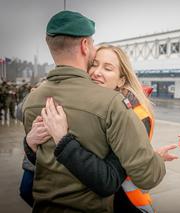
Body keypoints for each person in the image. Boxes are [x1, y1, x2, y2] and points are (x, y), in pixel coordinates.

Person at [22, 10, 166, 212]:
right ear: (84, 45)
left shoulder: (34, 99)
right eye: (95, 64)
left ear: (122, 79)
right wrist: (31, 144)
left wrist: (38, 142)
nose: (97, 72)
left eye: (108, 68)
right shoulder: (113, 106)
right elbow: (127, 178)